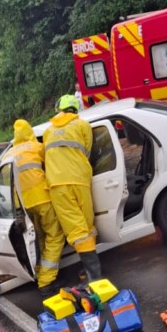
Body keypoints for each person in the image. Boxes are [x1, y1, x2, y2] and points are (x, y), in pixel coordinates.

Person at [43, 94, 102, 284]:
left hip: (58, 185)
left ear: (59, 108)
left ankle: (94, 277)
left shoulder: (48, 131)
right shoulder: (83, 125)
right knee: (87, 224)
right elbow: (87, 151)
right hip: (80, 179)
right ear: (76, 108)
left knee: (77, 230)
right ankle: (90, 270)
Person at [6, 119, 66, 289]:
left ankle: (40, 271)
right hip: (43, 198)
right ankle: (46, 279)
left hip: (24, 206)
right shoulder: (37, 147)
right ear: (29, 132)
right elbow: (53, 165)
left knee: (40, 237)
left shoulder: (8, 154)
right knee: (55, 236)